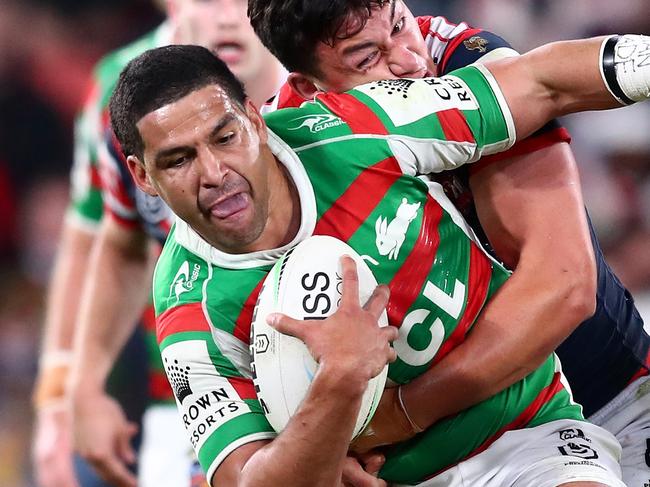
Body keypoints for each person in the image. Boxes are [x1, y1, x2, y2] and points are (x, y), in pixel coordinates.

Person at [110, 35, 650, 485]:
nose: (213, 172)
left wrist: (640, 60)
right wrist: (342, 378)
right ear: (141, 176)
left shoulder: (354, 127)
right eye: (178, 160)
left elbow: (537, 83)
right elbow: (249, 480)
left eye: (224, 137)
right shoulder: (187, 306)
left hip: (524, 439)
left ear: (254, 118)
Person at [32, 1, 286, 487]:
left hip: (326, 376)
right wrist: (69, 392)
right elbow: (112, 235)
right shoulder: (121, 93)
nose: (231, 15)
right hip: (184, 396)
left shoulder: (323, 67)